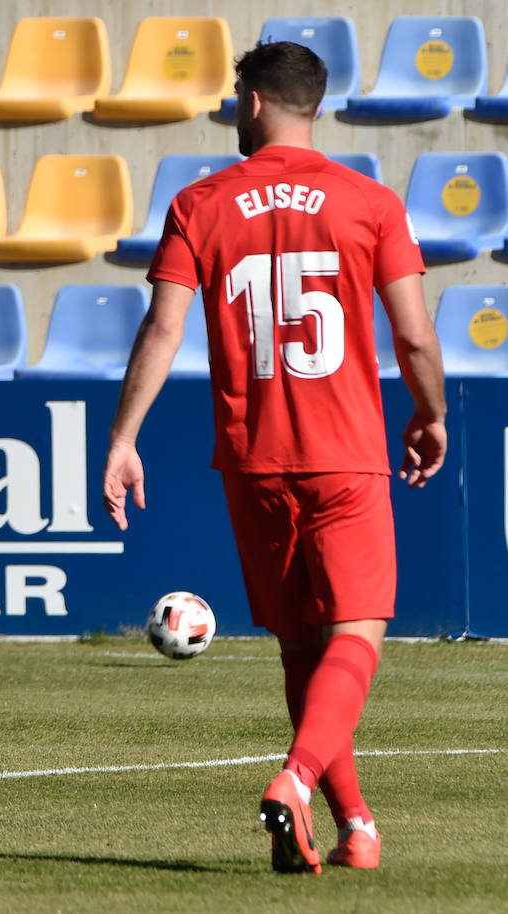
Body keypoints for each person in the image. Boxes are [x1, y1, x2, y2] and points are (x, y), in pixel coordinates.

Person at [102, 41, 446, 875]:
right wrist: (431, 413)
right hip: (347, 453)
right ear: (314, 108)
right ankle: (297, 781)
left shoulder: (200, 202)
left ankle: (356, 825)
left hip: (254, 461)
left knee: (301, 648)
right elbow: (412, 334)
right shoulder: (368, 202)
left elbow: (164, 328)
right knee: (355, 636)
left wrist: (122, 439)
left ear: (252, 102)